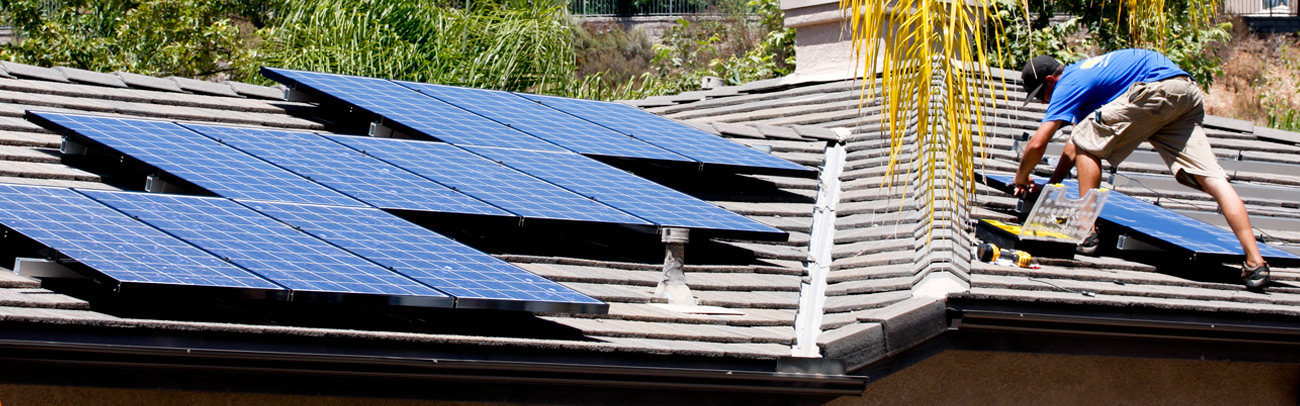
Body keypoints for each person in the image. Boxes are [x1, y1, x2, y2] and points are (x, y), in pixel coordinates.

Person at [1013, 49, 1270, 291]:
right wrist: (1053, 184)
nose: (1041, 101)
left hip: (1157, 87)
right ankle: (1255, 262)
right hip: (1185, 92)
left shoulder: (1070, 80)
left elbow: (1038, 143)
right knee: (1212, 179)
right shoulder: (1091, 78)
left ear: (1050, 80)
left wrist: (1021, 178)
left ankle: (1086, 230)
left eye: (1039, 95)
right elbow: (1075, 145)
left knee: (1087, 139)